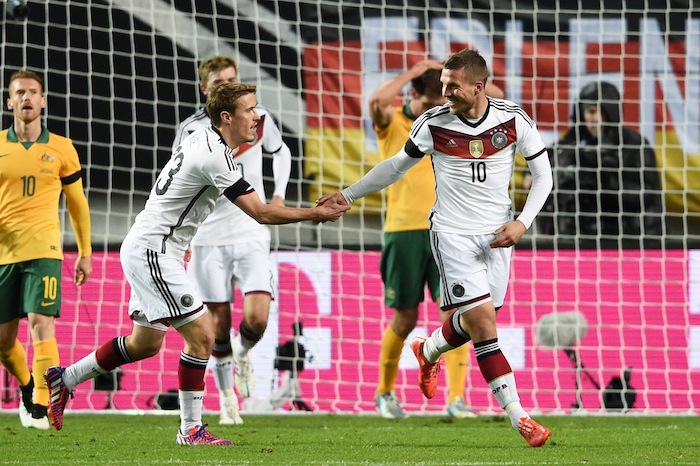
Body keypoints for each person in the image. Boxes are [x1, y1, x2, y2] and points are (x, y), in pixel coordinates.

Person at [44, 82, 349, 446]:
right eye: (250, 110)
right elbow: (261, 213)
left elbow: (175, 191)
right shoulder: (215, 155)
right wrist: (316, 213)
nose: (257, 116)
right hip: (155, 250)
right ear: (227, 117)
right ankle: (190, 429)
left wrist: (182, 239)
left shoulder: (199, 138)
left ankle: (65, 378)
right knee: (204, 335)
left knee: (144, 344)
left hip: (156, 247)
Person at [318, 49, 553, 447]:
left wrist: (522, 222)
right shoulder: (433, 123)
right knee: (483, 325)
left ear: (478, 87)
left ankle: (427, 349)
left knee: (475, 323)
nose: (445, 93)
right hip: (452, 236)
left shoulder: (512, 118)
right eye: (443, 85)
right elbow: (395, 166)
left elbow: (543, 174)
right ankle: (521, 418)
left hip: (499, 236)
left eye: (453, 86)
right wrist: (348, 194)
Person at [368, 59, 505, 419]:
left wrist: (460, 78)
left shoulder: (450, 123)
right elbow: (377, 101)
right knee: (404, 318)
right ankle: (385, 393)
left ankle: (456, 399)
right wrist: (414, 71)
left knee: (459, 317)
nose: (438, 107)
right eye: (429, 102)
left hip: (447, 231)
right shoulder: (394, 123)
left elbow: (498, 96)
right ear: (413, 95)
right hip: (404, 232)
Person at [173, 55, 292, 425]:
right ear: (204, 89)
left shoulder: (258, 118)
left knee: (257, 319)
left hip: (251, 231)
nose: (227, 86)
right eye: (219, 83)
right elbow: (177, 182)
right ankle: (228, 402)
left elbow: (281, 151)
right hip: (208, 237)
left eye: (232, 80)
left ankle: (242, 353)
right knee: (218, 326)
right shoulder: (191, 130)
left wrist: (279, 195)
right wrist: (182, 234)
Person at [0, 70, 93, 430]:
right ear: (9, 101)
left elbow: (77, 204)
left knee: (42, 325)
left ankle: (41, 403)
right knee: (4, 342)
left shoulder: (62, 148)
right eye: (20, 92)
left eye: (33, 92)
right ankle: (27, 386)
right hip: (4, 253)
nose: (26, 97)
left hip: (44, 249)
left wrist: (85, 252)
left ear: (43, 101)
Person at [543, 81, 663, 240]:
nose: (596, 119)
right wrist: (531, 172)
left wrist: (599, 179)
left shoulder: (633, 144)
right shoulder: (570, 145)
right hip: (580, 237)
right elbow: (546, 161)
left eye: (603, 112)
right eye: (591, 112)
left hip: (630, 237)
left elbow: (645, 196)